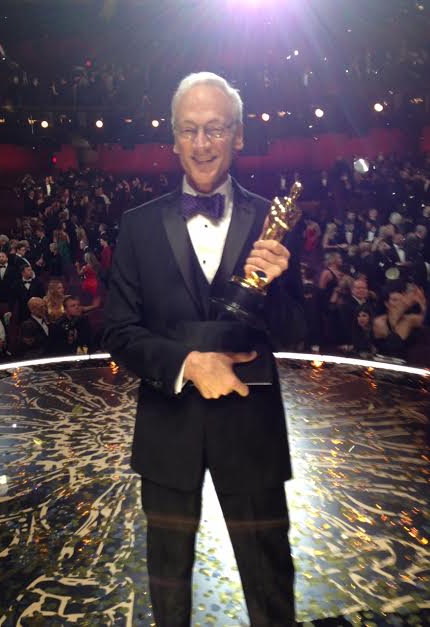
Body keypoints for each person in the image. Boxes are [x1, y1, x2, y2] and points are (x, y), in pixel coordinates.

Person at [104, 72, 304, 627]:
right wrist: (189, 363)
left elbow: (294, 330)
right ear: (173, 137)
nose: (201, 143)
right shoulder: (137, 227)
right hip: (168, 430)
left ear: (238, 136)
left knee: (271, 589)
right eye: (189, 130)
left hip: (253, 430)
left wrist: (281, 282)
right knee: (168, 595)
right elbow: (117, 331)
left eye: (214, 129)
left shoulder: (274, 219)